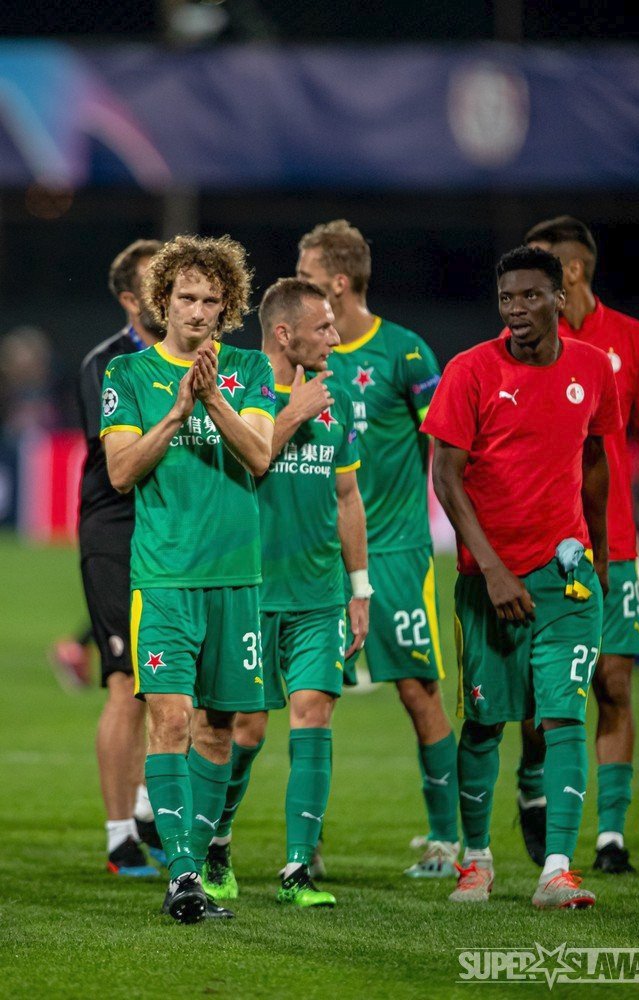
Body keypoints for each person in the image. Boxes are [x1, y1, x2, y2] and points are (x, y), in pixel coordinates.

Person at [423, 245, 622, 908]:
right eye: (506, 299)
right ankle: (475, 861)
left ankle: (556, 870)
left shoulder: (594, 370)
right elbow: (445, 477)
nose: (515, 311)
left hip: (565, 581)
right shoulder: (470, 370)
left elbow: (596, 458)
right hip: (488, 584)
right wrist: (495, 570)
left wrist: (601, 549)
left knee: (564, 717)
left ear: (560, 296)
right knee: (485, 723)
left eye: (529, 297)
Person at [101, 234, 275, 923]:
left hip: (237, 577)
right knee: (169, 717)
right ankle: (181, 876)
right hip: (165, 575)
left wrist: (209, 402)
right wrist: (174, 411)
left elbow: (261, 455)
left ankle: (197, 861)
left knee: (220, 727)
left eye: (211, 300)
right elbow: (120, 472)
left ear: (227, 306)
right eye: (186, 298)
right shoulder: (128, 377)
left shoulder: (251, 368)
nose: (198, 312)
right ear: (162, 300)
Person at [297, 220, 459, 877]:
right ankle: (304, 847)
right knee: (313, 697)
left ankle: (448, 840)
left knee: (418, 689)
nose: (297, 285)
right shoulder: (309, 352)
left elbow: (449, 449)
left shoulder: (405, 354)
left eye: (305, 274)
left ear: (339, 283)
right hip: (317, 557)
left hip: (393, 551)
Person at [202, 278, 370, 907]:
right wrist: (292, 413)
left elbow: (347, 497)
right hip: (251, 593)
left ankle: (298, 869)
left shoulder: (339, 398)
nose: (335, 336)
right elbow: (249, 464)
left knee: (313, 714)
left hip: (320, 594)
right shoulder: (240, 388)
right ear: (283, 334)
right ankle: (217, 843)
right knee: (245, 728)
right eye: (323, 327)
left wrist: (360, 588)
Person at [512, 217, 639, 874]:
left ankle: (608, 838)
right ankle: (531, 777)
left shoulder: (630, 342)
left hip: (612, 548)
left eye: (540, 270)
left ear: (571, 271)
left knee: (613, 681)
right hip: (539, 547)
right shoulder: (522, 345)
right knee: (538, 703)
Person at [76, 239, 166, 875]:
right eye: (156, 286)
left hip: (171, 535)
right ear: (130, 299)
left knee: (164, 685)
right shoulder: (105, 364)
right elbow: (121, 464)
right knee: (125, 684)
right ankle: (118, 837)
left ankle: (144, 809)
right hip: (116, 532)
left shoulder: (192, 359)